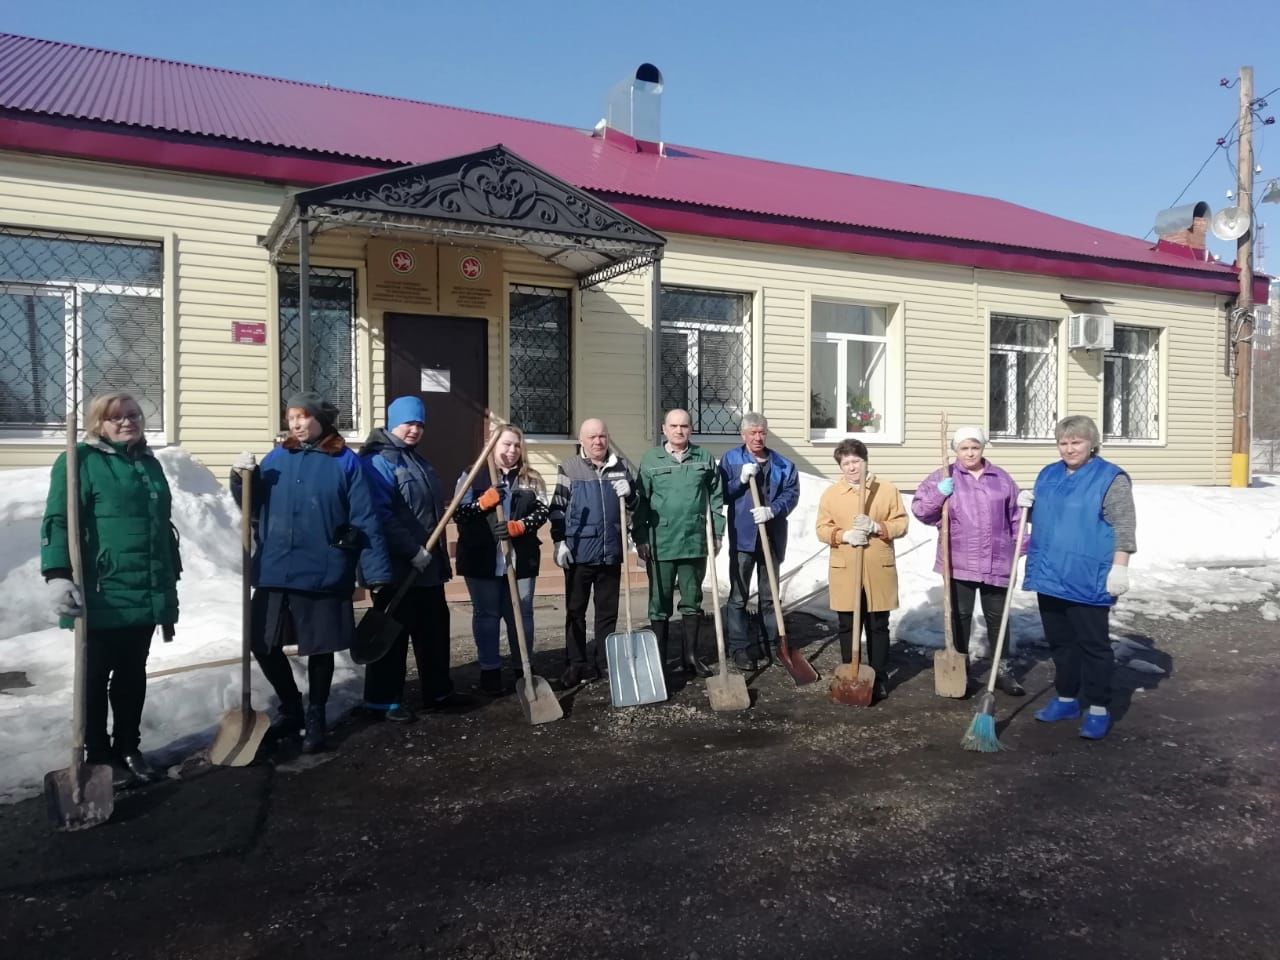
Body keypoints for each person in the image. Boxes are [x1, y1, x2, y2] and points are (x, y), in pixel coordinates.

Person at [232, 392, 392, 753]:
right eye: (291, 417)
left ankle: (316, 712)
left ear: (321, 419)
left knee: (319, 649)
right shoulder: (278, 457)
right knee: (261, 641)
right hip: (276, 566)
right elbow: (251, 503)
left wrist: (375, 573)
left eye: (303, 417)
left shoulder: (345, 462)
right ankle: (291, 707)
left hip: (324, 567)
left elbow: (365, 518)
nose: (296, 424)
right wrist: (241, 479)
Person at [41, 391, 180, 786]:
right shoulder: (78, 461)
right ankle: (98, 755)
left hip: (147, 584)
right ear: (98, 423)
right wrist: (57, 573)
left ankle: (128, 747)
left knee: (133, 673)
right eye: (115, 418)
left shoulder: (148, 463)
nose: (126, 422)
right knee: (95, 676)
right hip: (101, 588)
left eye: (133, 415)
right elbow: (57, 520)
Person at [1021, 415, 1136, 740]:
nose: (1069, 448)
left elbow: (1124, 525)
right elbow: (1045, 516)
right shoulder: (1048, 474)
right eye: (1064, 442)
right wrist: (1026, 507)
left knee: (1093, 646)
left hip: (1088, 576)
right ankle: (1067, 699)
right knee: (1061, 643)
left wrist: (1121, 566)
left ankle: (1098, 708)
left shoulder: (1110, 478)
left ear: (1091, 443)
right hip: (1050, 573)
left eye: (1076, 442)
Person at [358, 396, 470, 720]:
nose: (415, 429)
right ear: (393, 422)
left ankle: (438, 692)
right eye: (409, 423)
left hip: (427, 567)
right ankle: (383, 701)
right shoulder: (377, 461)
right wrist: (411, 550)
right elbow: (380, 515)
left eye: (420, 424)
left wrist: (430, 556)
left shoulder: (416, 461)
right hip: (396, 567)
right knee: (392, 633)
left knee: (434, 629)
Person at [911, 425, 1026, 696]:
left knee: (998, 617)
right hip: (959, 559)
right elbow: (920, 511)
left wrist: (1022, 547)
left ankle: (1002, 669)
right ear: (956, 450)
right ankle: (960, 668)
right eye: (964, 448)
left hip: (997, 559)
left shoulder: (1001, 478)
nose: (970, 452)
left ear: (982, 448)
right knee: (960, 616)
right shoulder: (944, 476)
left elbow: (1016, 517)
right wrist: (940, 493)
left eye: (975, 447)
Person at [454, 425, 548, 695]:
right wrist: (482, 504)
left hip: (521, 559)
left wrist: (519, 526)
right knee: (487, 615)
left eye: (516, 446)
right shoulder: (473, 475)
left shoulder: (530, 478)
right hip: (482, 557)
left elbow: (541, 511)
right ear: (492, 446)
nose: (511, 451)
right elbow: (459, 514)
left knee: (522, 613)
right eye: (506, 445)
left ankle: (523, 667)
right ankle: (490, 670)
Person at [633, 408, 725, 678]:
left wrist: (717, 533)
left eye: (684, 426)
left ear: (691, 429)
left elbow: (716, 500)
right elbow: (641, 503)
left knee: (692, 600)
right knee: (659, 603)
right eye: (673, 426)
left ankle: (691, 657)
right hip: (660, 543)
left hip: (694, 541)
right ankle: (659, 659)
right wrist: (639, 537)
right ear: (664, 429)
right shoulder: (651, 460)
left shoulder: (704, 458)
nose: (679, 430)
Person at [815, 439, 908, 702]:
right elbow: (821, 528)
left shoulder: (886, 490)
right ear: (840, 466)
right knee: (847, 624)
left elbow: (901, 524)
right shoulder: (832, 494)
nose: (852, 467)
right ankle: (849, 672)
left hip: (877, 566)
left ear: (865, 461)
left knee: (878, 623)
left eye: (856, 461)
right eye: (846, 463)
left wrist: (877, 527)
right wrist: (844, 535)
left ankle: (879, 675)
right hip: (846, 567)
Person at [548, 418, 637, 687]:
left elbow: (635, 505)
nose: (598, 441)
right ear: (581, 440)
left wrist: (631, 493)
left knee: (607, 612)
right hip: (579, 551)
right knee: (575, 610)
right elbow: (557, 507)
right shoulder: (570, 467)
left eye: (602, 436)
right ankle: (575, 662)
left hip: (610, 551)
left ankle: (603, 659)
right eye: (592, 437)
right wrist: (559, 541)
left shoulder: (620, 467)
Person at [719, 412, 800, 671]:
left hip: (772, 538)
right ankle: (740, 647)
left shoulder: (783, 464)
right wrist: (740, 480)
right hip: (743, 537)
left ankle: (773, 644)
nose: (757, 437)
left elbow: (791, 494)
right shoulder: (732, 460)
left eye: (761, 432)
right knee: (739, 596)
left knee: (770, 596)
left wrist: (772, 510)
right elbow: (722, 494)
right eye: (752, 432)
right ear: (743, 435)